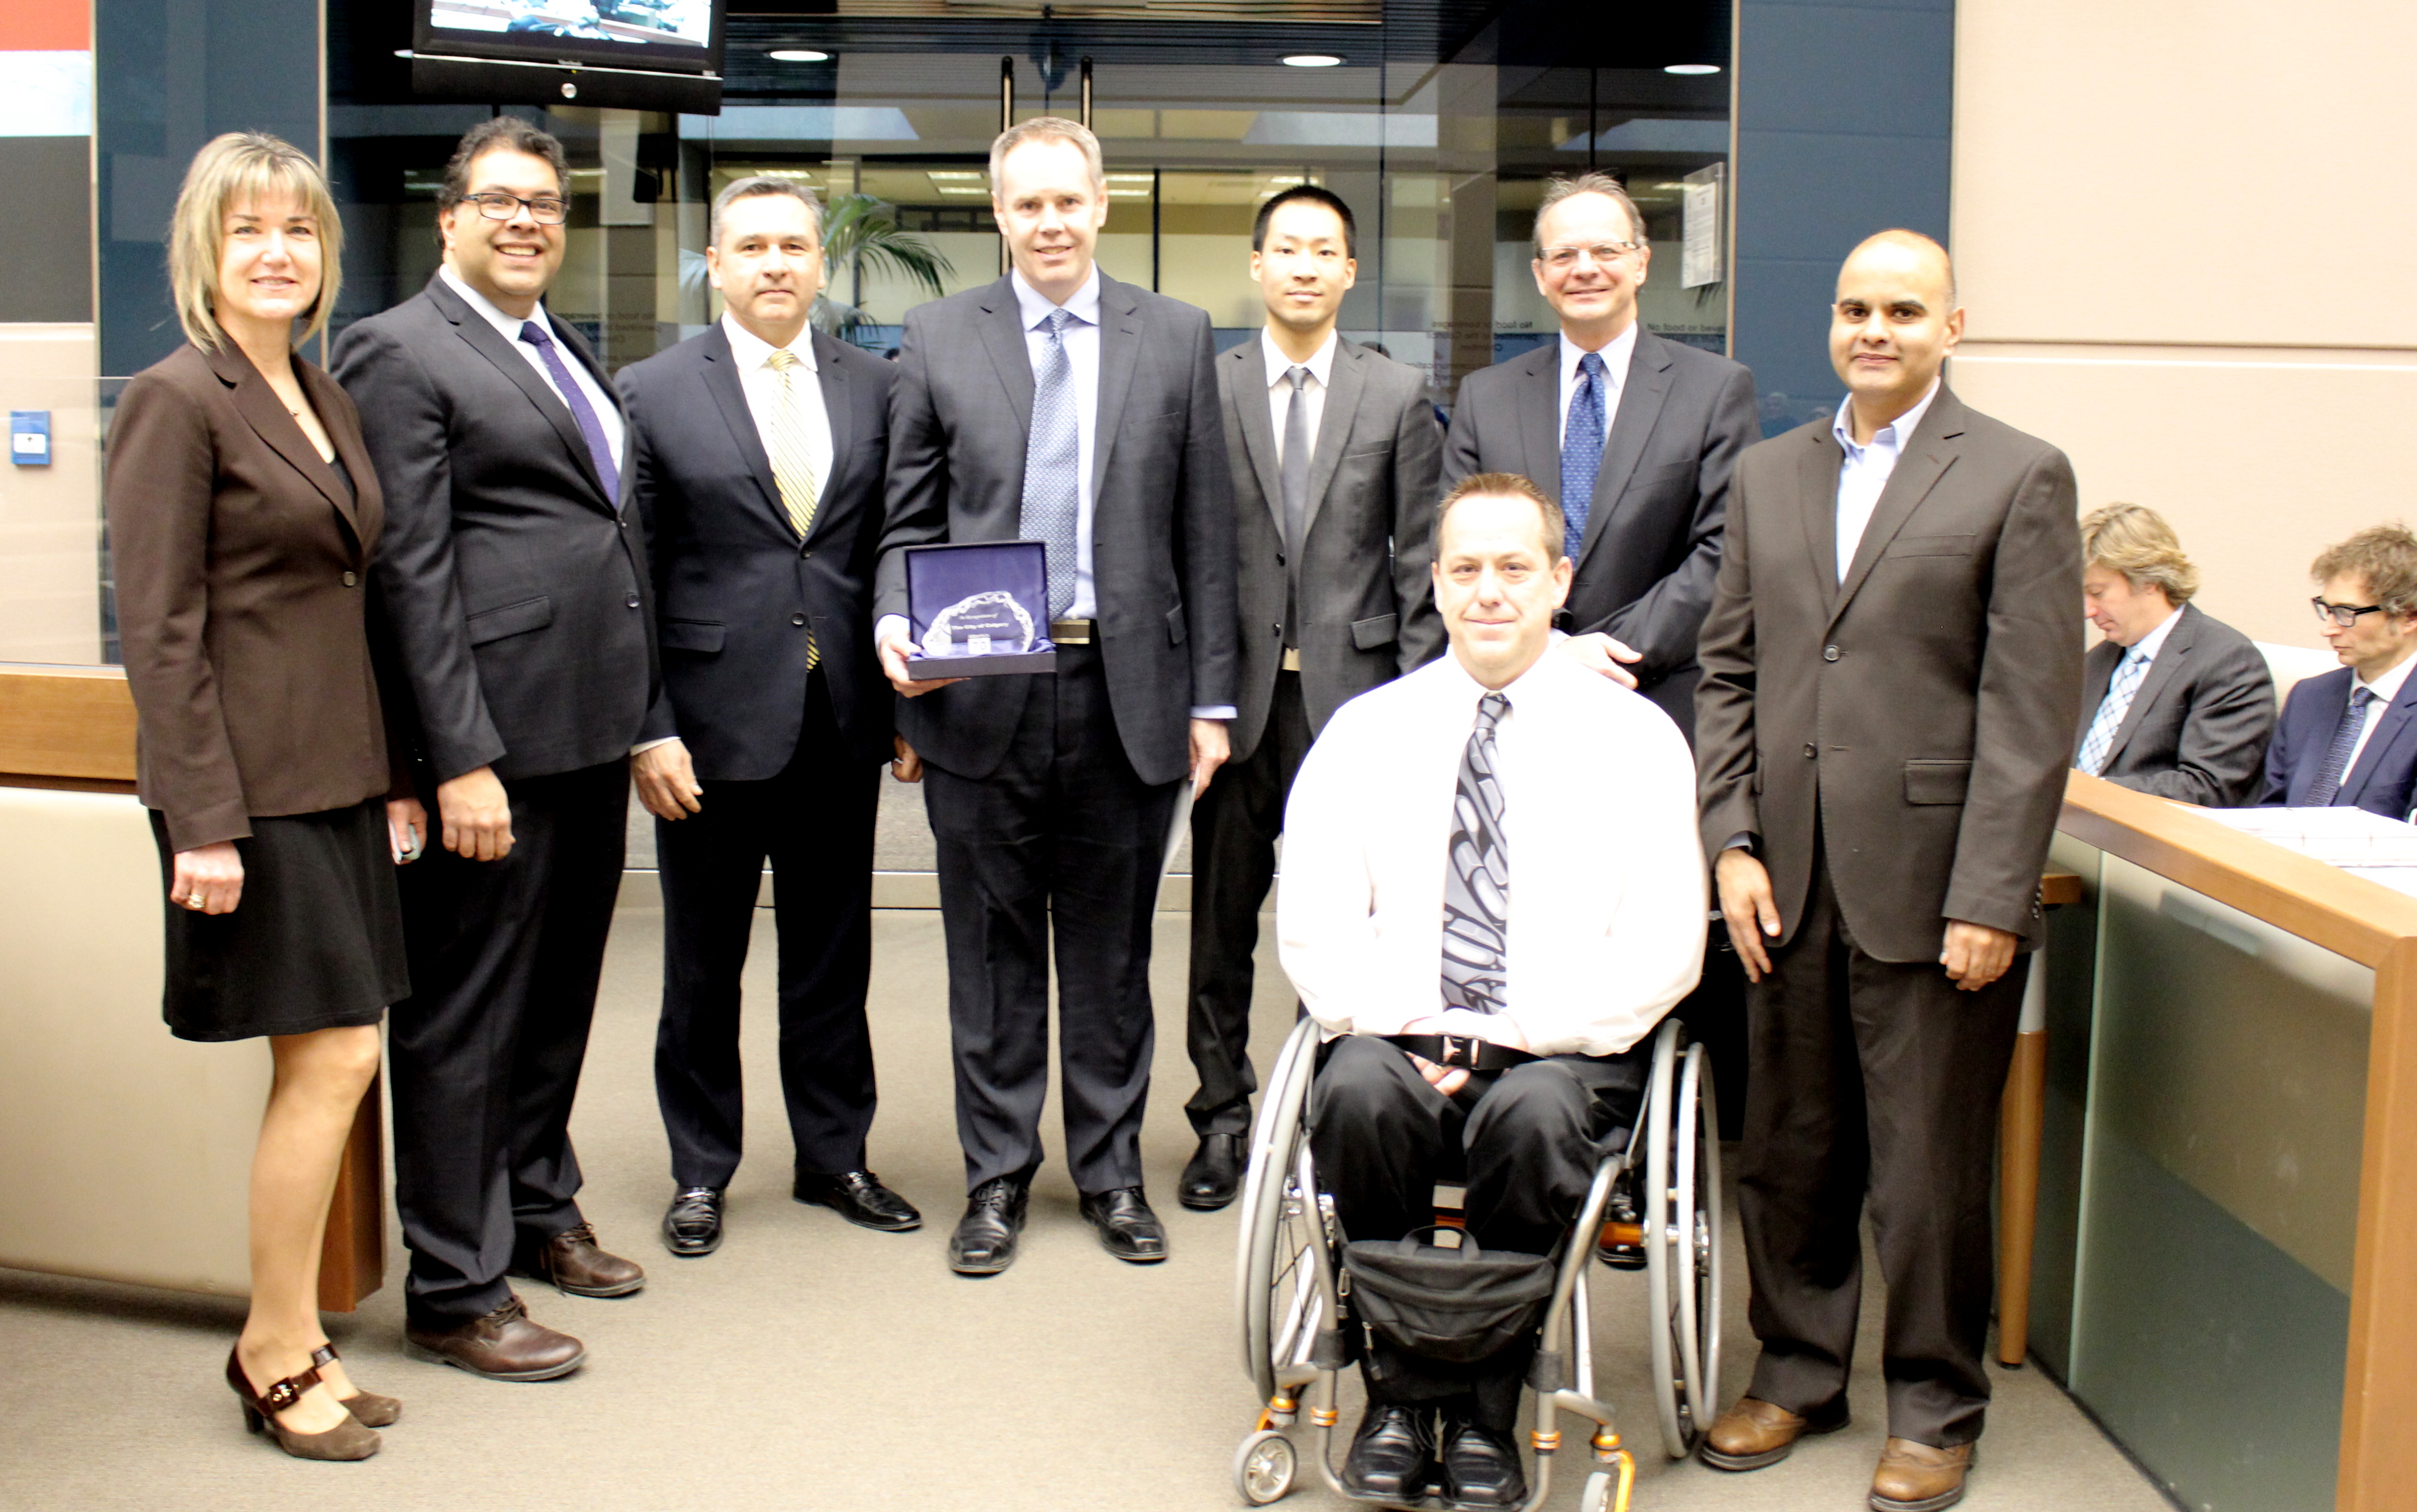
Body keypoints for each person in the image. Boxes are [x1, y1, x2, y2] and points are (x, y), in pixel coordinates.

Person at [1694, 230, 2081, 1512]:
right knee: (1790, 1153)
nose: (1875, 328)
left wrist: (1992, 895)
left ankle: (1935, 1401)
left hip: (1933, 888)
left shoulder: (2020, 475)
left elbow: (2031, 712)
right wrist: (1731, 841)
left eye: (1904, 309)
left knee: (1925, 1170)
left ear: (1952, 325)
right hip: (1786, 879)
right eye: (1856, 306)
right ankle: (1799, 1370)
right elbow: (1733, 671)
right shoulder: (1769, 474)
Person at [1278, 472, 1706, 1509]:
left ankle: (1482, 1410)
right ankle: (1393, 1395)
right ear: (1434, 584)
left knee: (1533, 1118)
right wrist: (1400, 1019)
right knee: (1358, 1096)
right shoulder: (1368, 730)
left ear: (1560, 581)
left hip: (1562, 1052)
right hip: (1399, 1035)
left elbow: (1665, 942)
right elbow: (1314, 918)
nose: (1489, 591)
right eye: (1466, 568)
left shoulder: (1637, 738)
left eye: (1515, 567)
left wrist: (1525, 1031)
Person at [875, 116, 1239, 1275]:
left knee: (1110, 951)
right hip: (980, 681)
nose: (1047, 222)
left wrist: (1214, 700)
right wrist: (896, 621)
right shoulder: (934, 337)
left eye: (1066, 202)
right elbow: (907, 521)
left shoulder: (1176, 336)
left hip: (1126, 689)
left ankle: (1111, 1171)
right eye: (1025, 203)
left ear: (1100, 207)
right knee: (988, 954)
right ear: (998, 213)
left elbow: (1206, 532)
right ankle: (994, 1179)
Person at [332, 116, 655, 1379]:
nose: (529, 221)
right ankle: (455, 1286)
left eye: (548, 205)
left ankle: (536, 1205)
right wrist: (453, 756)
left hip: (585, 733)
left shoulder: (559, 345)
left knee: (560, 995)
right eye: (503, 201)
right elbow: (405, 571)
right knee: (464, 1015)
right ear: (450, 215)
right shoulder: (398, 350)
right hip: (493, 751)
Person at [110, 131, 416, 1460]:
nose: (278, 251)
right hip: (251, 794)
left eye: (298, 230)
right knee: (335, 1056)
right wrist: (203, 820)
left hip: (337, 778)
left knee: (335, 1062)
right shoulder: (179, 398)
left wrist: (396, 776)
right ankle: (272, 1346)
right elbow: (160, 631)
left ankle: (292, 1329)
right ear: (206, 252)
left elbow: (351, 602)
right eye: (250, 231)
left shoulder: (318, 392)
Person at [620, 175, 916, 1256]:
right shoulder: (652, 390)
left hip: (839, 720)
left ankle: (833, 1155)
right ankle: (701, 1169)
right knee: (701, 967)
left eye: (794, 244)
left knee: (833, 960)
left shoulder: (877, 387)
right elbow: (632, 573)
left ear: (820, 263)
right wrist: (647, 725)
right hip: (702, 730)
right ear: (716, 261)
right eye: (752, 246)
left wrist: (902, 709)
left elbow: (891, 548)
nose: (777, 263)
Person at [1177, 184, 1445, 1212]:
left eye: (1321, 250)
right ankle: (1223, 1115)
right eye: (1284, 248)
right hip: (1233, 706)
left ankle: (1335, 1115)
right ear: (1256, 264)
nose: (1301, 266)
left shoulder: (1395, 392)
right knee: (1218, 925)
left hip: (1358, 704)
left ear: (1348, 271)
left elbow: (1420, 561)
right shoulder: (1211, 387)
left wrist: (1418, 711)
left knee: (1345, 924)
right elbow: (1184, 548)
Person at [1441, 171, 1758, 741]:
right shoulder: (1486, 397)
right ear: (1539, 275)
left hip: (1656, 703)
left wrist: (1598, 656)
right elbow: (1453, 549)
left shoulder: (1713, 391)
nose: (1584, 268)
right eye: (1563, 254)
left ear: (1640, 263)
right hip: (1509, 708)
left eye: (1606, 250)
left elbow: (1725, 550)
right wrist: (1548, 653)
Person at [2074, 502, 2273, 806]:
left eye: (2099, 593)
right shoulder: (2100, 659)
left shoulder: (2229, 662)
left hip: (2146, 842)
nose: (2088, 611)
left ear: (2150, 581)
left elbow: (2208, 787)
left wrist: (2088, 793)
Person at [2260, 524, 2417, 816]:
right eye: (2327, 610)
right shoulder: (2309, 697)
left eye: (2347, 614)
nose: (2327, 629)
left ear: (2409, 616)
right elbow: (2271, 808)